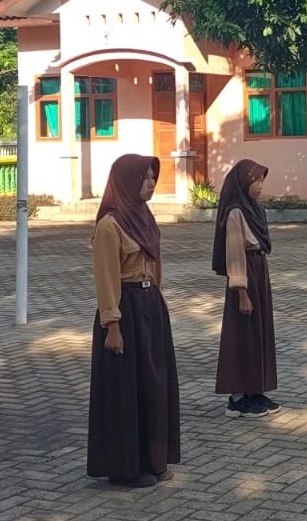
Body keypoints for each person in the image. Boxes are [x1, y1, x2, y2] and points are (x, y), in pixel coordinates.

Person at [87, 154, 179, 488]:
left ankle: (154, 459)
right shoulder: (110, 225)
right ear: (126, 181)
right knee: (126, 390)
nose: (151, 184)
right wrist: (112, 325)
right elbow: (106, 278)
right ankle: (125, 468)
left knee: (153, 385)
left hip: (149, 307)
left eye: (153, 177)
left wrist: (158, 302)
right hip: (124, 311)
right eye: (144, 178)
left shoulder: (144, 216)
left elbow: (155, 264)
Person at [212, 160, 280, 418]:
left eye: (262, 180)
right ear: (243, 183)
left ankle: (255, 389)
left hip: (259, 270)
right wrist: (241, 292)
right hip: (245, 273)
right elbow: (234, 254)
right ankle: (237, 397)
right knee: (242, 335)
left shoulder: (256, 210)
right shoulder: (236, 213)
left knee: (259, 332)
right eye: (256, 181)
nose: (260, 186)